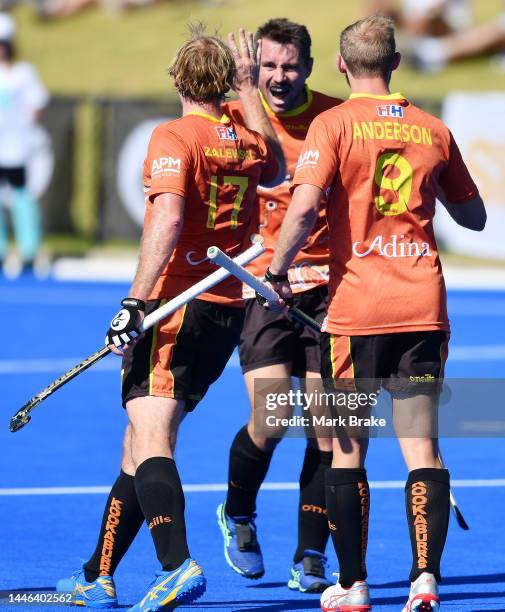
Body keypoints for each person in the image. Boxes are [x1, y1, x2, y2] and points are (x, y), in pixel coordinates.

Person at [56, 25, 284, 610]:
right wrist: (250, 87)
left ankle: (176, 564)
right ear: (228, 82)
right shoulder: (245, 139)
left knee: (154, 436)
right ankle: (97, 574)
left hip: (177, 303)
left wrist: (135, 302)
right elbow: (276, 162)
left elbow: (166, 218)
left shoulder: (173, 135)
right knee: (137, 445)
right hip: (226, 309)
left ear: (177, 79)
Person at [266, 13, 485, 612]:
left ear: (341, 65)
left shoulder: (333, 125)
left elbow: (305, 207)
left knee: (346, 450)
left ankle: (355, 583)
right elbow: (475, 216)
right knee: (424, 447)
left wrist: (278, 272)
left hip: (356, 313)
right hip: (421, 307)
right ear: (395, 64)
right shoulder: (433, 130)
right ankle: (426, 581)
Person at [216, 18, 342, 593]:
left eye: (290, 66)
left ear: (309, 68)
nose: (279, 76)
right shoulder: (231, 116)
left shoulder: (336, 117)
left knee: (329, 429)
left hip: (330, 291)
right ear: (255, 68)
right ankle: (237, 513)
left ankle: (311, 555)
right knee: (272, 418)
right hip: (264, 285)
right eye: (268, 66)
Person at [0, 12, 49, 278]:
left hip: (15, 148)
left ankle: (29, 250)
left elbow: (37, 103)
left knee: (21, 197)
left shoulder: (23, 73)